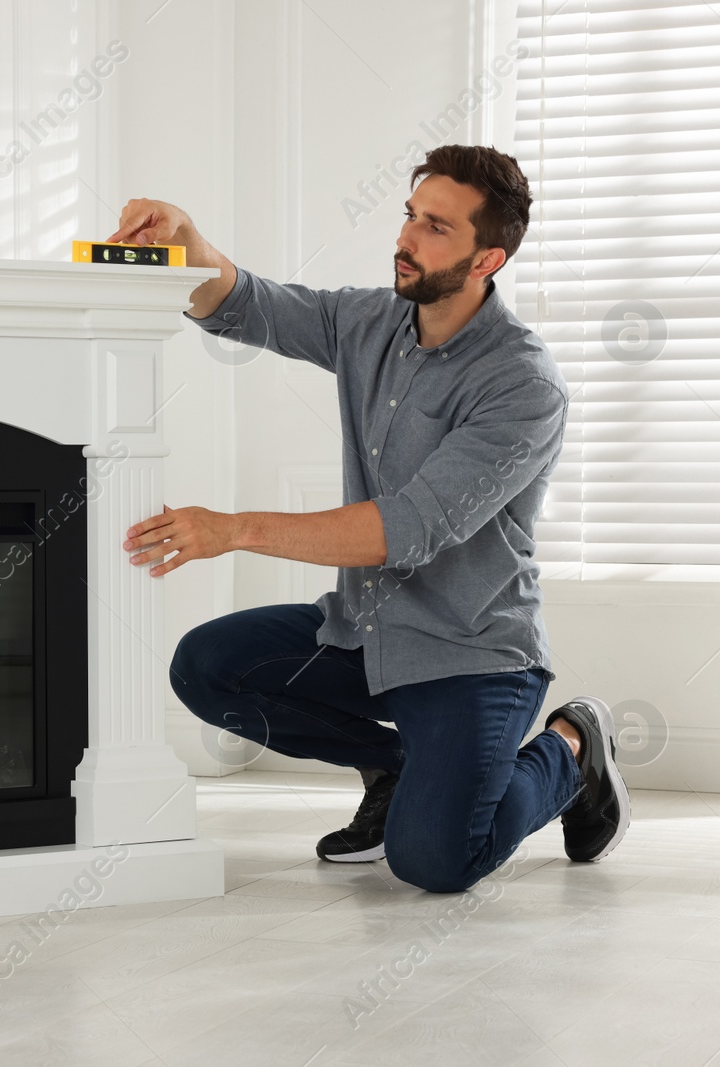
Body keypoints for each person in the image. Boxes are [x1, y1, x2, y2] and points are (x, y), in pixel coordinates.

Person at [108, 144, 629, 893]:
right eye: (411, 217)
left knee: (438, 859)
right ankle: (398, 766)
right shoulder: (373, 321)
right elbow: (252, 303)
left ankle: (572, 749)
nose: (406, 239)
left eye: (436, 228)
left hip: (471, 653)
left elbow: (406, 528)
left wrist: (233, 528)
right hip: (366, 632)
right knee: (206, 666)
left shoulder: (523, 384)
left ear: (487, 259)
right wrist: (190, 249)